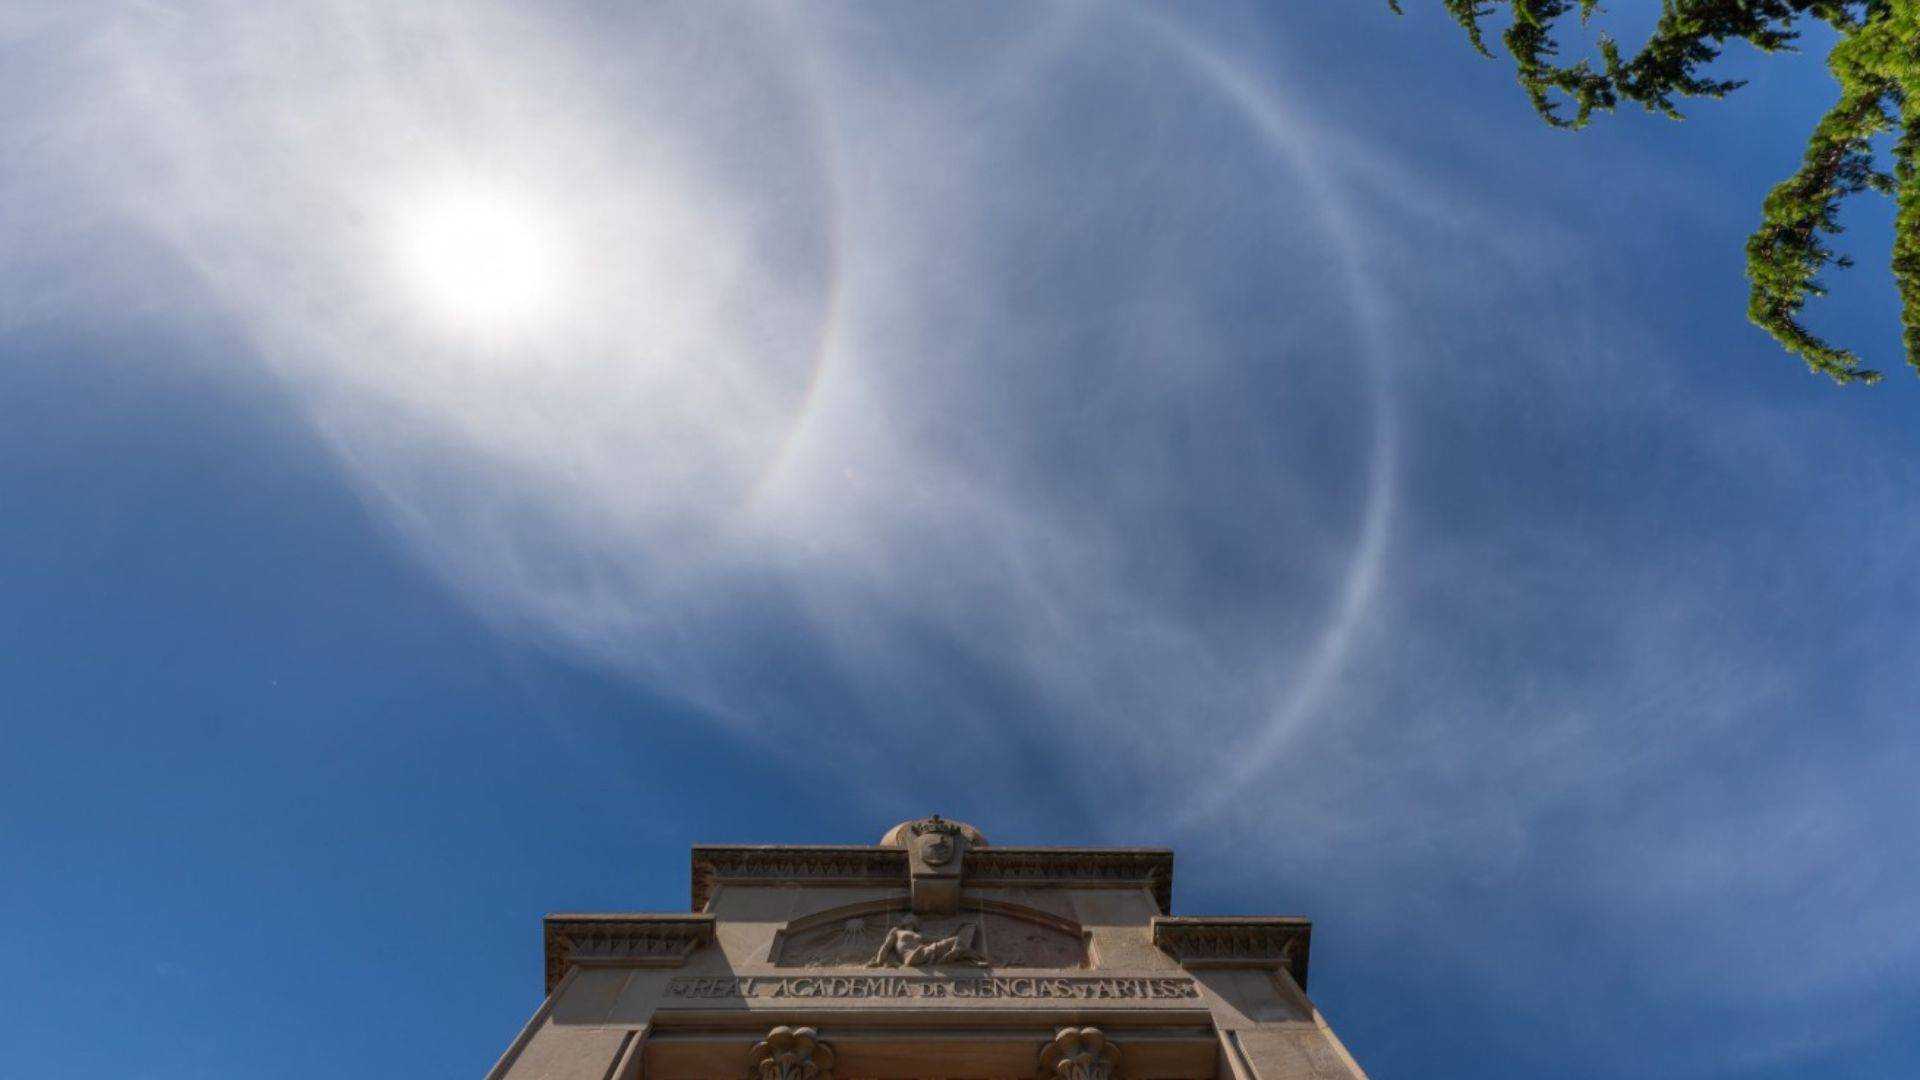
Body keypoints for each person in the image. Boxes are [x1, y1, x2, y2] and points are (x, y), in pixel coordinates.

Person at [867, 914, 987, 967]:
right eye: (908, 917)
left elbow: (940, 939)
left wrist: (957, 928)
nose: (910, 918)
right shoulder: (896, 931)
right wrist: (878, 962)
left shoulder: (919, 935)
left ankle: (970, 960)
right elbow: (885, 946)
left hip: (925, 952)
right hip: (914, 956)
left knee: (956, 941)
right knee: (957, 942)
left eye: (912, 918)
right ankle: (970, 958)